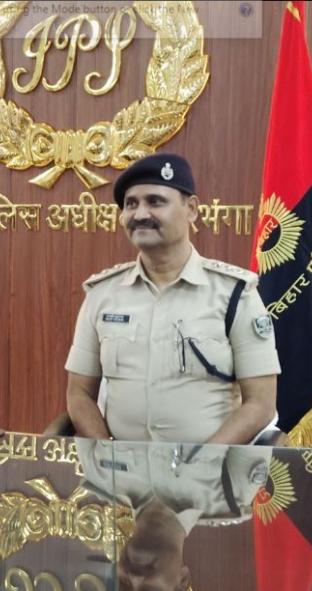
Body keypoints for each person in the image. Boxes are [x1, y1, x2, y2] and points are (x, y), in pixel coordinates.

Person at [65, 153, 280, 443]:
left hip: (212, 468)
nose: (140, 214)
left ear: (191, 209)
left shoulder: (235, 295)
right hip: (120, 469)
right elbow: (79, 392)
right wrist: (107, 455)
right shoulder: (103, 295)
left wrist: (204, 460)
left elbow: (261, 404)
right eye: (131, 204)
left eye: (155, 201)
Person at [76, 438, 271, 591]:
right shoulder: (232, 493)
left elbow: (80, 404)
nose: (135, 578)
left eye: (124, 587)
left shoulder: (99, 475)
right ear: (183, 581)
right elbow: (260, 409)